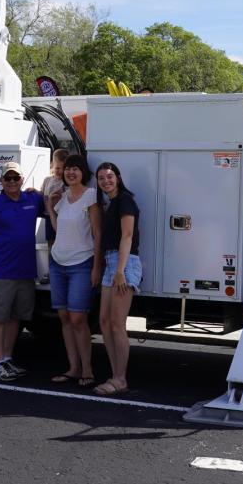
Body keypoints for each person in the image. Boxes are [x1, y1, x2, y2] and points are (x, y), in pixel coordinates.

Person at [0, 161, 43, 381]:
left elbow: (55, 201)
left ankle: (7, 359)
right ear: (1, 181)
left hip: (25, 272)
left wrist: (40, 191)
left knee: (16, 318)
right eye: (8, 178)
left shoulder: (32, 199)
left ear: (23, 179)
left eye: (16, 178)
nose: (12, 182)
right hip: (2, 271)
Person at [46, 154, 100, 388]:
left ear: (83, 173)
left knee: (78, 317)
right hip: (58, 262)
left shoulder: (91, 196)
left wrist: (97, 267)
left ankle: (87, 370)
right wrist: (50, 207)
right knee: (64, 317)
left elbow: (98, 234)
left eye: (76, 169)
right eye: (68, 169)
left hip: (81, 263)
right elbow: (59, 229)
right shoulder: (64, 197)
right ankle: (73, 368)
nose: (70, 172)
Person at [94, 161, 141, 396]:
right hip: (111, 264)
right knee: (103, 321)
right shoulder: (110, 203)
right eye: (101, 178)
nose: (106, 181)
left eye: (110, 177)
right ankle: (115, 374)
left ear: (118, 178)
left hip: (125, 263)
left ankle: (120, 379)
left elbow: (128, 236)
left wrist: (120, 271)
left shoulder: (125, 201)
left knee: (116, 324)